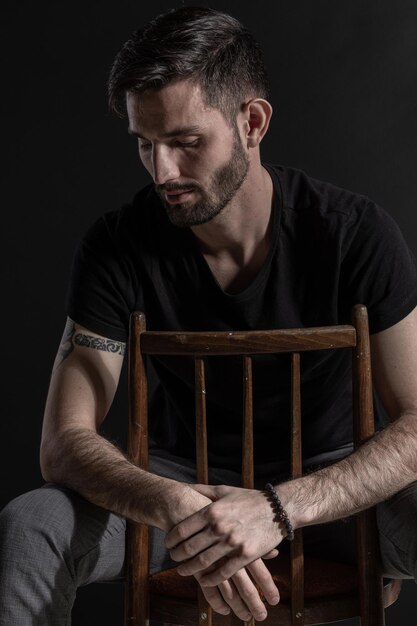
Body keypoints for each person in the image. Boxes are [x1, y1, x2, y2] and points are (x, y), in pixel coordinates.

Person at [1, 6, 417, 625]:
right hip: (174, 497)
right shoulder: (117, 246)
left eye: (186, 143)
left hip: (330, 498)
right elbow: (63, 443)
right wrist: (181, 507)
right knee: (30, 525)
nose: (162, 171)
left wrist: (276, 508)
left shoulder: (355, 235)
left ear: (251, 122)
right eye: (145, 144)